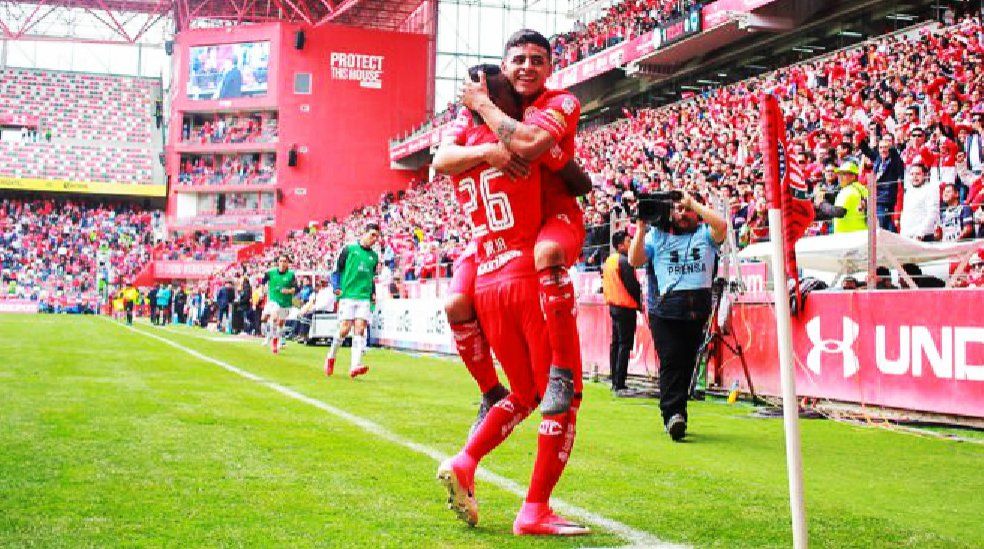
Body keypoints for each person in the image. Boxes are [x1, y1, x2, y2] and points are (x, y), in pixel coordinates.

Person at [436, 62, 589, 537]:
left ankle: (465, 459)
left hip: (487, 279)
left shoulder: (469, 152)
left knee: (523, 395)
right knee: (563, 396)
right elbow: (568, 174)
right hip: (526, 278)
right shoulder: (515, 141)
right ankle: (535, 509)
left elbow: (441, 160)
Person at [628, 190, 727, 441]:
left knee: (687, 364)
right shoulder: (657, 236)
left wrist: (692, 202)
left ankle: (677, 412)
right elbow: (635, 260)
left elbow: (722, 225)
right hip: (665, 310)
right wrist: (640, 228)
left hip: (696, 310)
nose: (683, 215)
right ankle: (673, 414)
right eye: (678, 210)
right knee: (672, 361)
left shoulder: (706, 236)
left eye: (688, 211)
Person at [324, 224, 380, 378]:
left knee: (360, 328)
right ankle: (331, 356)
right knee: (344, 329)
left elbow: (370, 277)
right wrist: (336, 287)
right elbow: (336, 271)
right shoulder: (348, 249)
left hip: (363, 296)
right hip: (348, 295)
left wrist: (373, 293)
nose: (374, 239)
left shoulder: (374, 257)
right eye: (372, 235)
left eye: (376, 236)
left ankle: (355, 365)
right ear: (364, 233)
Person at [602, 230, 641, 395]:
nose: (631, 242)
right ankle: (620, 383)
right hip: (626, 306)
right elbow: (632, 285)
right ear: (620, 245)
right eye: (628, 240)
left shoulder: (609, 260)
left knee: (616, 343)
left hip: (614, 306)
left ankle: (614, 379)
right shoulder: (625, 261)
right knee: (624, 344)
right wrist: (639, 303)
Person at [261, 255, 297, 354]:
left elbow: (295, 289)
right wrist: (263, 289)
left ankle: (276, 338)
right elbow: (263, 281)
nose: (282, 263)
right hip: (273, 300)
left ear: (287, 263)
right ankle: (273, 342)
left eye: (284, 261)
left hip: (285, 303)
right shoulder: (270, 273)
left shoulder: (291, 275)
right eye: (281, 261)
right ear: (278, 262)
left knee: (281, 323)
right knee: (272, 317)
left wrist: (288, 291)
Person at [899, 163, 940, 241]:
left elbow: (932, 214)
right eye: (912, 174)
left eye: (918, 174)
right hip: (907, 236)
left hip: (923, 237)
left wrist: (920, 233)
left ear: (924, 175)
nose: (914, 177)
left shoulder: (930, 190)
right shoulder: (908, 191)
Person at [831, 160, 868, 234]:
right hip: (860, 234)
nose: (840, 177)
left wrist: (821, 204)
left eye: (844, 174)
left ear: (853, 176)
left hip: (849, 236)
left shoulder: (848, 191)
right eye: (839, 174)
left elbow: (838, 212)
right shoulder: (861, 188)